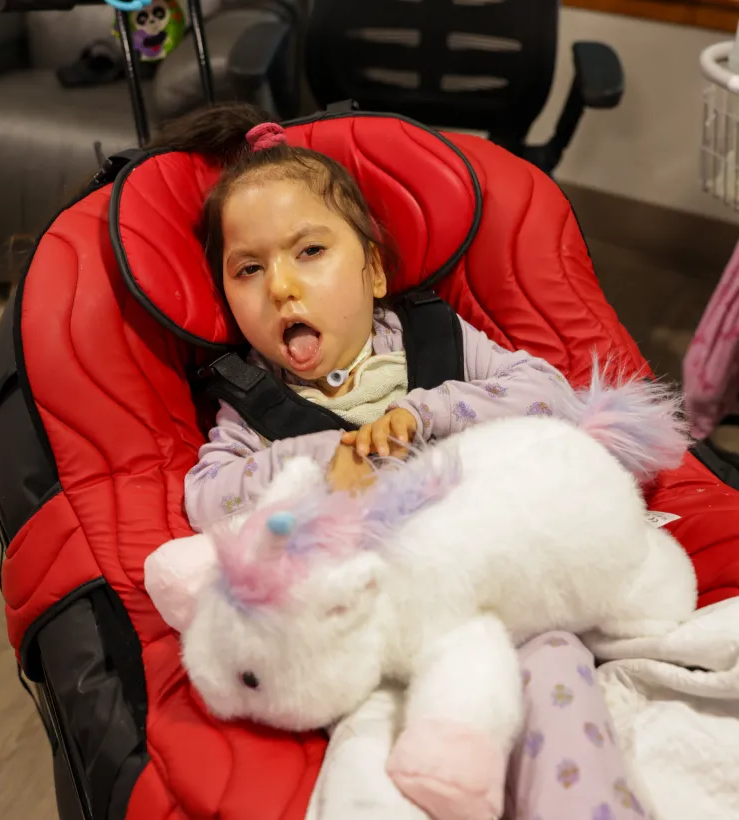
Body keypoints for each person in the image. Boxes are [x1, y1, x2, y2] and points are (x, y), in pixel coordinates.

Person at [159, 102, 648, 819]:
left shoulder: (430, 337)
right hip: (377, 624)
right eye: (248, 269)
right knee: (371, 731)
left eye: (310, 252)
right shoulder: (252, 400)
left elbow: (547, 396)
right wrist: (324, 456)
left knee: (554, 662)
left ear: (376, 270)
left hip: (492, 577)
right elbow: (207, 499)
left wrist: (427, 413)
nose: (282, 287)